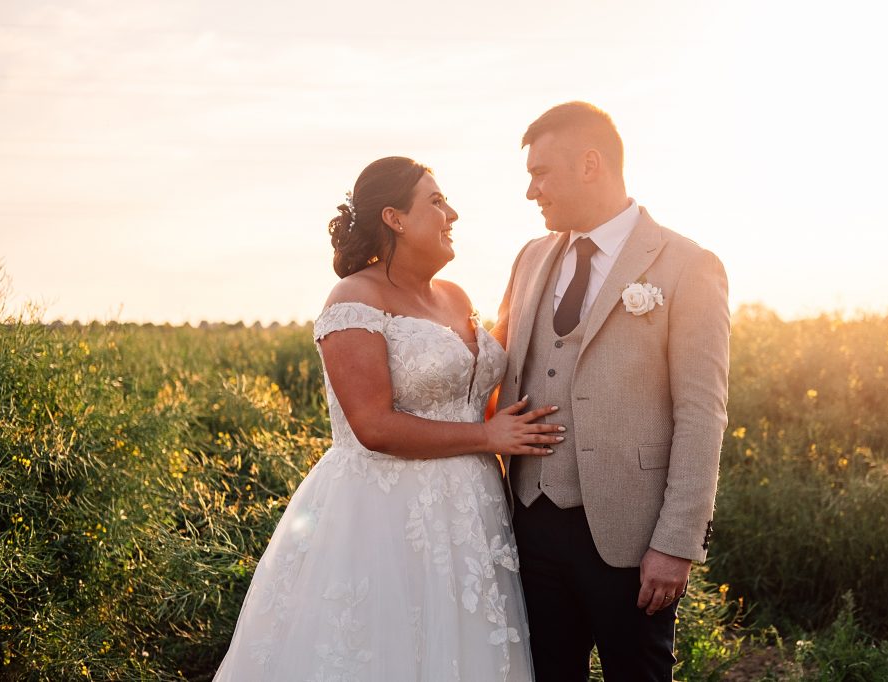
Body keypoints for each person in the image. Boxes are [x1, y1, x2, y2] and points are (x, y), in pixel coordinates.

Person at [214, 156, 561, 681]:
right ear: (395, 218)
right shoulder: (354, 299)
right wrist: (487, 435)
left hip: (472, 513)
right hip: (387, 513)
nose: (452, 214)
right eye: (436, 202)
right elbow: (372, 425)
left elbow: (472, 391)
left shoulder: (456, 296)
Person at [492, 102, 730, 681]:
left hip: (632, 533)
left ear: (590, 164)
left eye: (541, 173)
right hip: (530, 523)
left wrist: (676, 543)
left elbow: (702, 413)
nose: (531, 191)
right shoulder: (529, 258)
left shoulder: (687, 265)